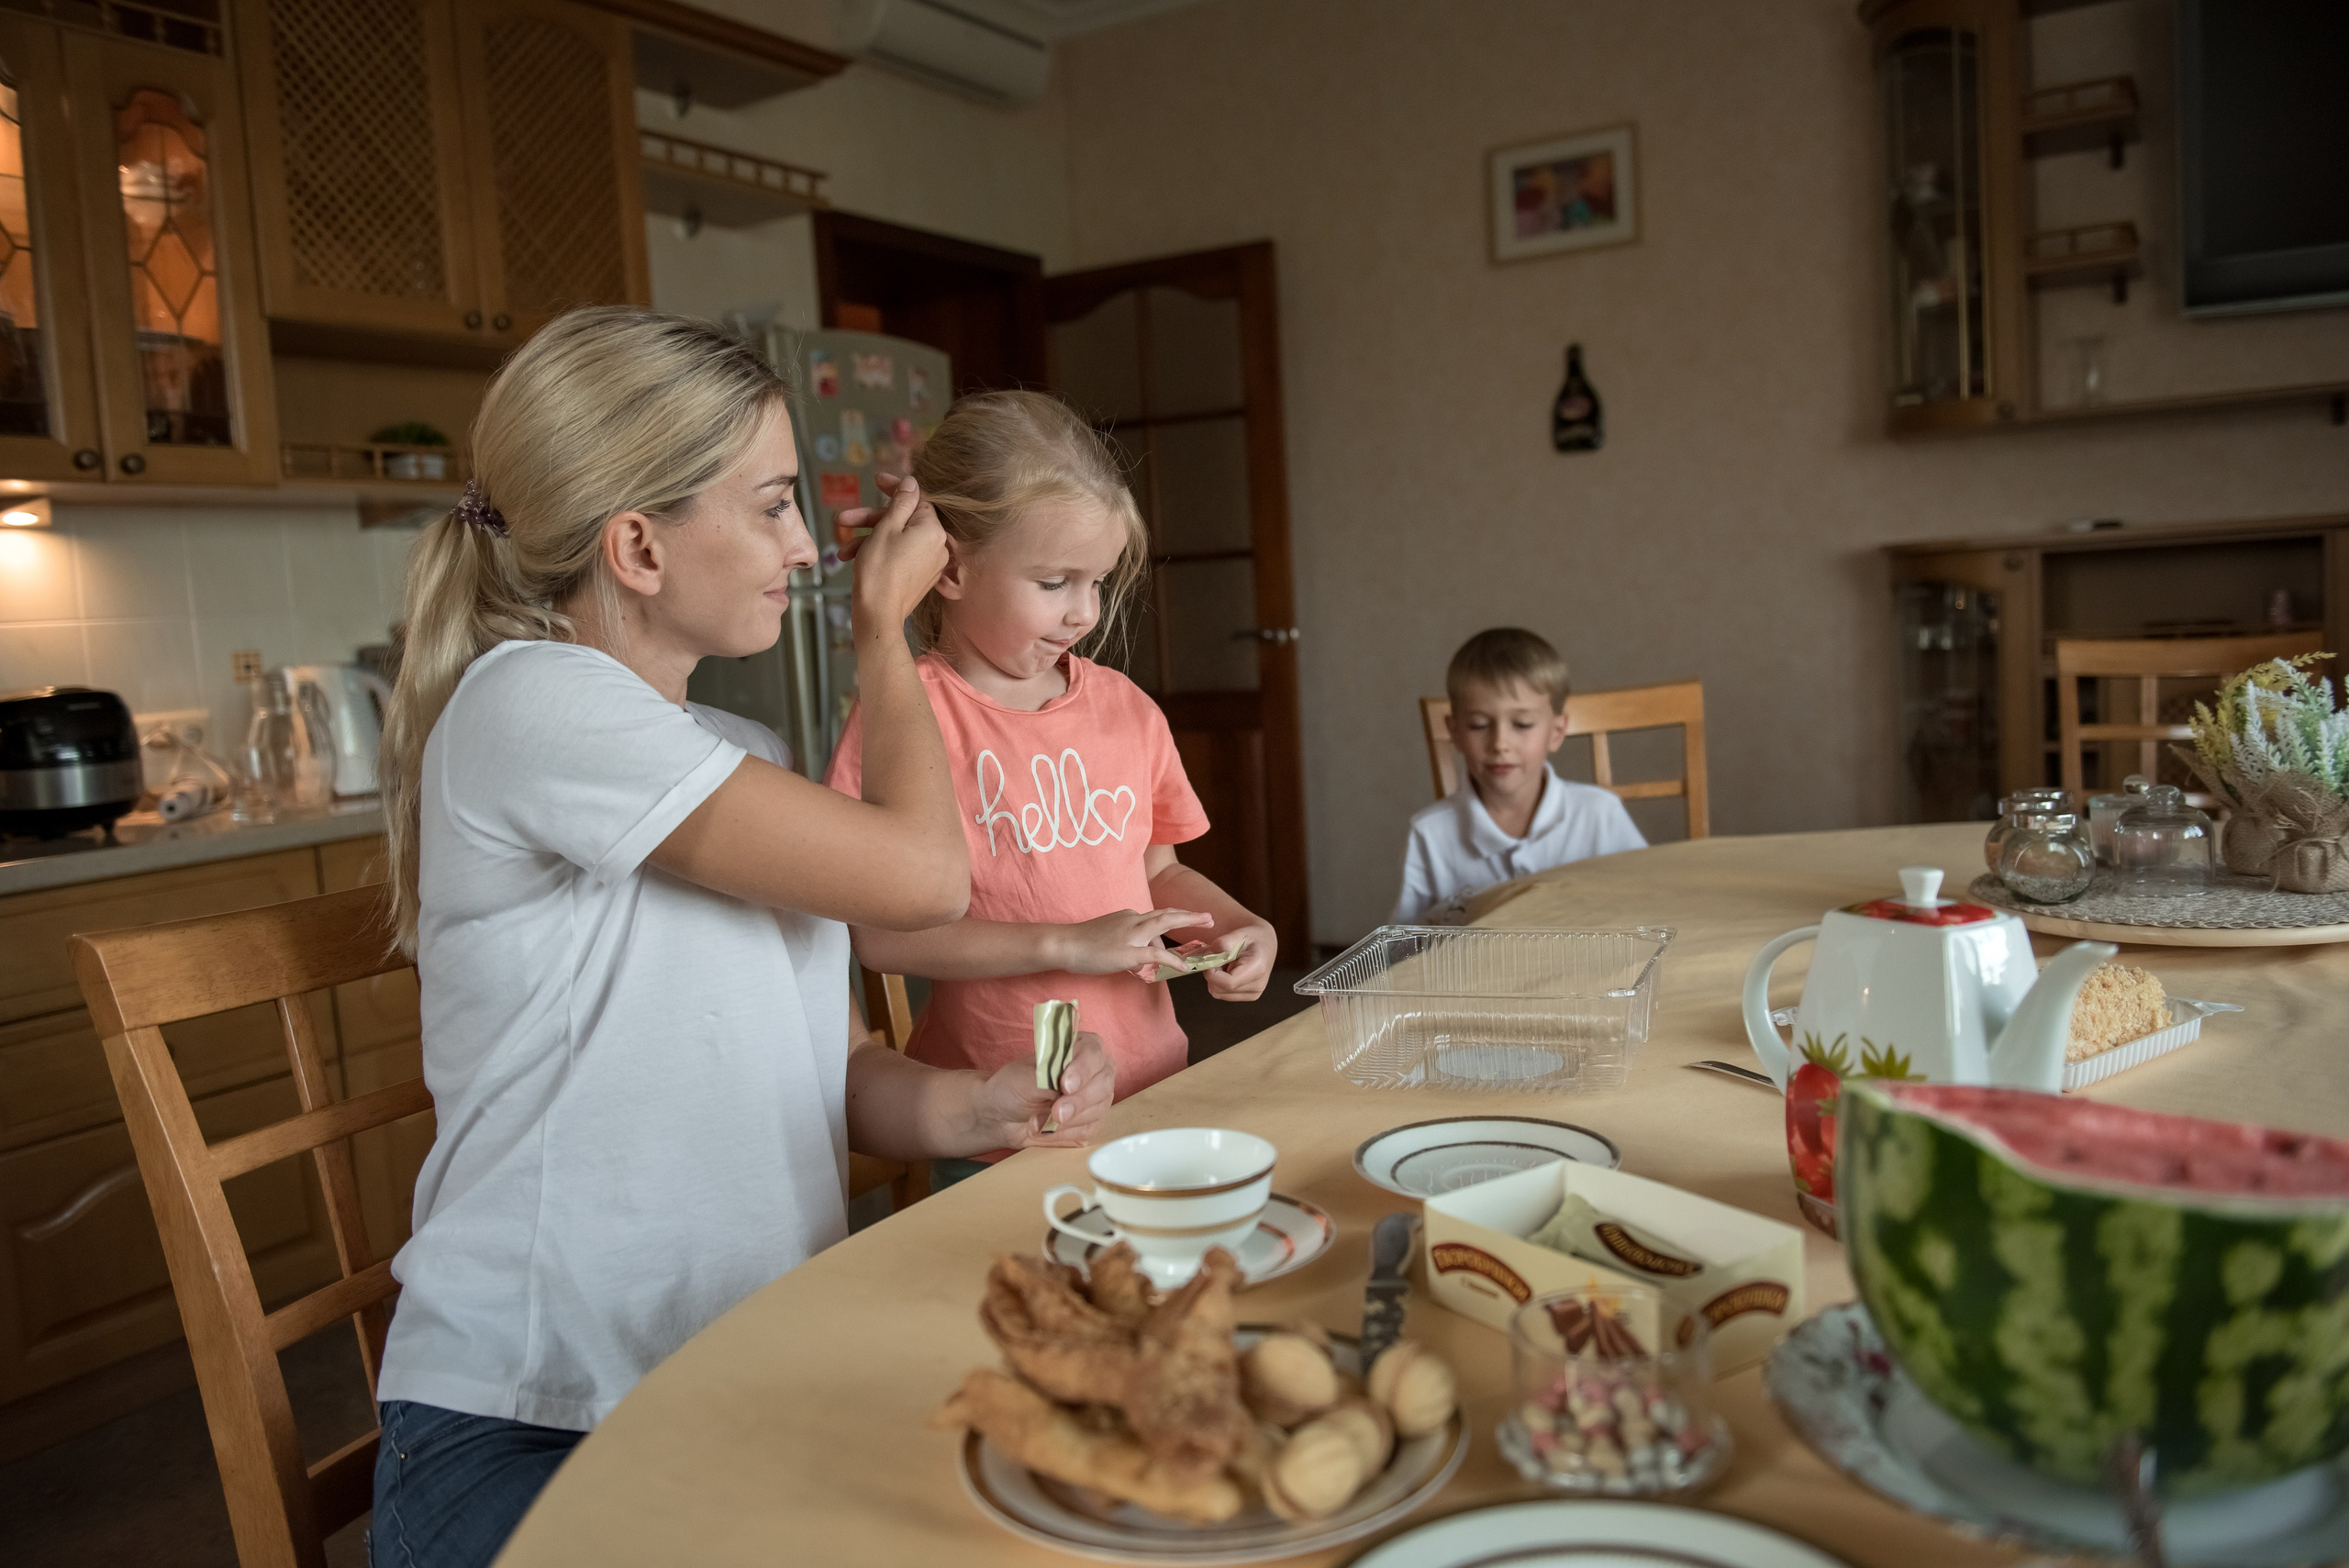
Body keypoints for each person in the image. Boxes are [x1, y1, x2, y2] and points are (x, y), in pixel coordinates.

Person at [366, 308, 1115, 1568]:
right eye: (772, 505)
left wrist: (971, 1107)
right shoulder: (531, 704)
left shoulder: (741, 761)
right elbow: (929, 879)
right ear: (640, 546)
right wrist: (884, 631)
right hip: (534, 1422)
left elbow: (815, 1068)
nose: (807, 546)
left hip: (738, 1379)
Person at [825, 391, 1275, 1182]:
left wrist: (1235, 926)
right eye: (1055, 581)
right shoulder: (906, 717)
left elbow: (1158, 872)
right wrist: (1069, 942)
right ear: (951, 566)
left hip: (1153, 1092)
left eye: (1096, 583)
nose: (1083, 613)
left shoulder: (1126, 710)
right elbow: (885, 936)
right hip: (1002, 1122)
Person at [1393, 627, 1645, 923]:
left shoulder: (1601, 814)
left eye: (1522, 724)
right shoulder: (1430, 834)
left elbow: (1645, 907)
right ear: (1455, 732)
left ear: (1556, 732)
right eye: (1478, 725)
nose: (1500, 744)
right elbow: (1402, 949)